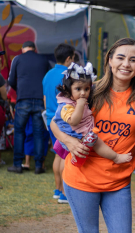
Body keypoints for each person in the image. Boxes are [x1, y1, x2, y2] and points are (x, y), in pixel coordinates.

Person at [50, 38, 135, 232]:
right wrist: (69, 141)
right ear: (110, 60)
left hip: (118, 182)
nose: (126, 64)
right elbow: (55, 122)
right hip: (81, 178)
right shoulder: (89, 91)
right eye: (120, 57)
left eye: (133, 59)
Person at [53, 62, 132, 165]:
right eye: (78, 89)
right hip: (77, 133)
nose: (83, 93)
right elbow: (74, 121)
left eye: (86, 89)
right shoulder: (66, 106)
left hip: (81, 132)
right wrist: (80, 105)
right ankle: (116, 157)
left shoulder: (79, 99)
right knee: (98, 143)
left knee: (80, 154)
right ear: (67, 89)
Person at [8, 41, 51, 174]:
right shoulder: (44, 60)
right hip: (39, 101)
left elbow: (11, 80)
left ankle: (17, 165)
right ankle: (39, 166)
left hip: (23, 100)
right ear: (34, 49)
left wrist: (20, 90)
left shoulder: (18, 59)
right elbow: (48, 80)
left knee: (20, 132)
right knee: (39, 133)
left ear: (22, 49)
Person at [42, 43, 75, 203]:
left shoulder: (48, 74)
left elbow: (45, 99)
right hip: (64, 122)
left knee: (58, 154)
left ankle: (57, 190)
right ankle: (63, 194)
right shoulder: (68, 75)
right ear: (69, 58)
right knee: (65, 156)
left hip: (50, 120)